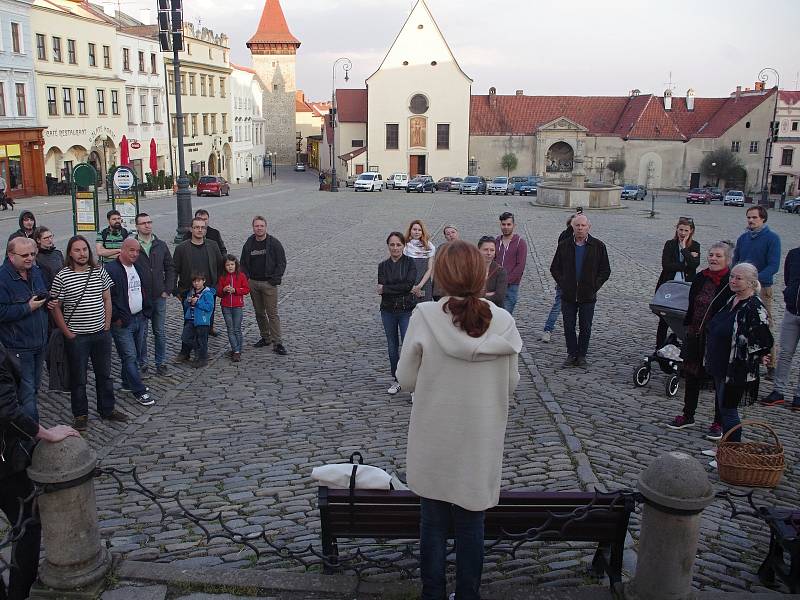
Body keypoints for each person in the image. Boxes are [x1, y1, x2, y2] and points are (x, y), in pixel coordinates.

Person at [397, 240, 521, 600]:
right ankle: (468, 594)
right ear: (481, 273)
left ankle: (432, 594)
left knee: (432, 525)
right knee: (471, 526)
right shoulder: (503, 321)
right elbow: (512, 383)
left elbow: (405, 379)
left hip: (435, 437)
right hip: (479, 440)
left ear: (445, 278)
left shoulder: (425, 316)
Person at [0, 343, 78, 600]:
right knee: (27, 523)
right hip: (4, 466)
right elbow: (7, 411)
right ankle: (18, 594)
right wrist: (45, 433)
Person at [50, 235, 128, 431]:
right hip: (77, 337)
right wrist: (67, 332)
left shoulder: (98, 272)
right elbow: (55, 307)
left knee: (105, 375)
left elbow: (107, 299)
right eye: (77, 250)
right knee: (79, 378)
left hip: (101, 334)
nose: (82, 253)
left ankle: (107, 409)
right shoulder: (62, 276)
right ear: (70, 252)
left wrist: (107, 324)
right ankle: (80, 414)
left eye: (84, 249)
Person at [666, 242, 733, 439]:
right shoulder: (701, 277)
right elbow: (692, 303)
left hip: (717, 338)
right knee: (692, 375)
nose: (713, 258)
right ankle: (688, 415)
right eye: (711, 255)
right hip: (695, 333)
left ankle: (718, 422)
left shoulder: (731, 282)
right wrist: (687, 327)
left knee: (718, 381)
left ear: (727, 260)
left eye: (718, 256)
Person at [703, 262, 773, 444]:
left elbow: (763, 341)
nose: (732, 280)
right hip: (719, 362)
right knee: (722, 406)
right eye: (732, 276)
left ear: (751, 283)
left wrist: (758, 356)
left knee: (729, 411)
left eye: (738, 278)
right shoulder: (731, 299)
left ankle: (732, 451)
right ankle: (725, 449)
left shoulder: (754, 307)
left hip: (735, 368)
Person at [549, 214, 611, 367]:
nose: (580, 228)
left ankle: (582, 355)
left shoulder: (598, 246)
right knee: (568, 326)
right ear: (572, 227)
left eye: (583, 226)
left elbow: (605, 270)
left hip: (587, 295)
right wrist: (563, 283)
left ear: (589, 227)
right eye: (577, 225)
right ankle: (571, 353)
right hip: (568, 295)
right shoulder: (564, 245)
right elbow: (554, 267)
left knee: (585, 326)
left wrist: (594, 286)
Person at [0, 238, 49, 422]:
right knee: (26, 394)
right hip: (18, 348)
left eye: (32, 254)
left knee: (34, 389)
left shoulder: (34, 271)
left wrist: (48, 300)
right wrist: (27, 308)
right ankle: (30, 437)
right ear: (11, 256)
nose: (30, 258)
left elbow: (41, 293)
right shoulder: (3, 279)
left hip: (39, 343)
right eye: (25, 255)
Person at [733, 205, 781, 377]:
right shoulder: (743, 238)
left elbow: (773, 265)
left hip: (762, 287)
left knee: (765, 325)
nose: (751, 221)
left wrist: (754, 281)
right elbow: (736, 261)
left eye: (754, 217)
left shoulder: (772, 238)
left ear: (763, 219)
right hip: (741, 288)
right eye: (749, 218)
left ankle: (771, 364)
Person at [105, 239, 153, 407]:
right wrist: (116, 317)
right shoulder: (110, 269)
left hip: (139, 316)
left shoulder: (137, 267)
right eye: (131, 250)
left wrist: (147, 311)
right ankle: (139, 390)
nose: (135, 254)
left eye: (137, 251)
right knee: (130, 356)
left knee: (136, 354)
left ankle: (127, 382)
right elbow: (107, 297)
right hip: (122, 321)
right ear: (123, 250)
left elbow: (144, 288)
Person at [132, 212, 175, 376]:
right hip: (140, 297)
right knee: (141, 333)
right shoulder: (133, 245)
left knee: (159, 331)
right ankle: (142, 363)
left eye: (149, 222)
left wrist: (167, 289)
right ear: (137, 226)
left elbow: (170, 267)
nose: (147, 225)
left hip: (159, 295)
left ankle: (161, 362)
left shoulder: (160, 244)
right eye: (143, 223)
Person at [240, 216, 287, 355]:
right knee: (259, 312)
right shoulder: (249, 243)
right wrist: (247, 279)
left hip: (269, 283)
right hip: (253, 283)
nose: (259, 228)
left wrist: (274, 279)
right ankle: (265, 337)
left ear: (265, 227)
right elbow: (243, 263)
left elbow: (281, 262)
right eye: (256, 226)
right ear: (253, 227)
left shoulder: (274, 243)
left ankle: (277, 342)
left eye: (261, 226)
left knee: (272, 314)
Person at [761, 242, 800, 409]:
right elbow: (788, 278)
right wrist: (790, 295)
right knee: (785, 352)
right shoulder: (794, 254)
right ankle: (778, 390)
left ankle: (799, 395)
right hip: (792, 311)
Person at [378, 232, 417, 395]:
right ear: (388, 246)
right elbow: (381, 290)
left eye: (398, 244)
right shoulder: (383, 265)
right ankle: (397, 379)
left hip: (405, 310)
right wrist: (390, 289)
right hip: (388, 310)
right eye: (392, 245)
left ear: (404, 246)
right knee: (392, 347)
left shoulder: (410, 263)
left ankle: (412, 382)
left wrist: (387, 288)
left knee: (408, 346)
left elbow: (408, 286)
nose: (395, 248)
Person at [655, 217, 701, 348]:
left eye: (686, 230)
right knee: (664, 319)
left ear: (691, 231)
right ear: (676, 229)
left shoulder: (695, 245)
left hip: (686, 287)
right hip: (669, 285)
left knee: (684, 318)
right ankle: (659, 346)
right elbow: (667, 265)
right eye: (680, 229)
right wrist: (684, 264)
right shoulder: (670, 244)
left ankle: (685, 347)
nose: (683, 233)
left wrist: (684, 249)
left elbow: (693, 265)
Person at [541, 212, 580, 342]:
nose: (579, 227)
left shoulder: (582, 240)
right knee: (558, 305)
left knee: (574, 307)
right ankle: (548, 329)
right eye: (576, 224)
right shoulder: (565, 236)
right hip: (564, 279)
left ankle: (571, 329)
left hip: (578, 281)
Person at [173, 217, 223, 299]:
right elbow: (174, 270)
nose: (200, 230)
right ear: (191, 229)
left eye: (203, 227)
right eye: (196, 227)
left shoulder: (213, 245)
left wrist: (217, 287)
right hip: (188, 291)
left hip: (209, 291)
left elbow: (220, 267)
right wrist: (176, 291)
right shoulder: (181, 248)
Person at [217, 255, 250, 362]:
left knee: (237, 329)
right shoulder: (222, 277)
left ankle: (238, 349)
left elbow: (246, 289)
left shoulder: (241, 276)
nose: (230, 267)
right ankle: (235, 350)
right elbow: (219, 293)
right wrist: (224, 290)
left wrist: (236, 290)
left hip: (237, 306)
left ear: (236, 265)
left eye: (232, 264)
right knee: (230, 329)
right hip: (226, 306)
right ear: (224, 266)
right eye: (227, 265)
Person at [495, 212, 527, 315]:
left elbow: (520, 266)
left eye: (509, 224)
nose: (506, 227)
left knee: (506, 315)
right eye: (503, 224)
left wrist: (506, 280)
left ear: (514, 225)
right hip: (495, 285)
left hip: (511, 286)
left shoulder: (520, 243)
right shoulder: (496, 241)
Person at [180, 273, 215, 368]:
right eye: (194, 281)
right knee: (185, 337)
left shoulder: (207, 293)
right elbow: (186, 306)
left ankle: (202, 359)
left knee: (202, 340)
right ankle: (199, 350)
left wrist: (198, 302)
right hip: (191, 319)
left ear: (203, 281)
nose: (196, 283)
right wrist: (188, 301)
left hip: (202, 320)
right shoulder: (191, 292)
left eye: (198, 281)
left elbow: (209, 307)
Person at [404, 220, 435, 303]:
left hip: (424, 283)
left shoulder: (430, 247)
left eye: (419, 230)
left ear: (422, 232)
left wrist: (420, 285)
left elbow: (430, 269)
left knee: (424, 309)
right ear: (410, 230)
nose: (417, 232)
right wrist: (411, 286)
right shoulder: (404, 246)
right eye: (414, 229)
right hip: (408, 284)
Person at [478, 235, 507, 308]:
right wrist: (487, 294)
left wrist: (478, 296)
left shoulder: (501, 271)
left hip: (494, 310)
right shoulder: (471, 269)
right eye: (485, 249)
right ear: (478, 250)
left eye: (492, 250)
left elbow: (499, 297)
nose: (489, 253)